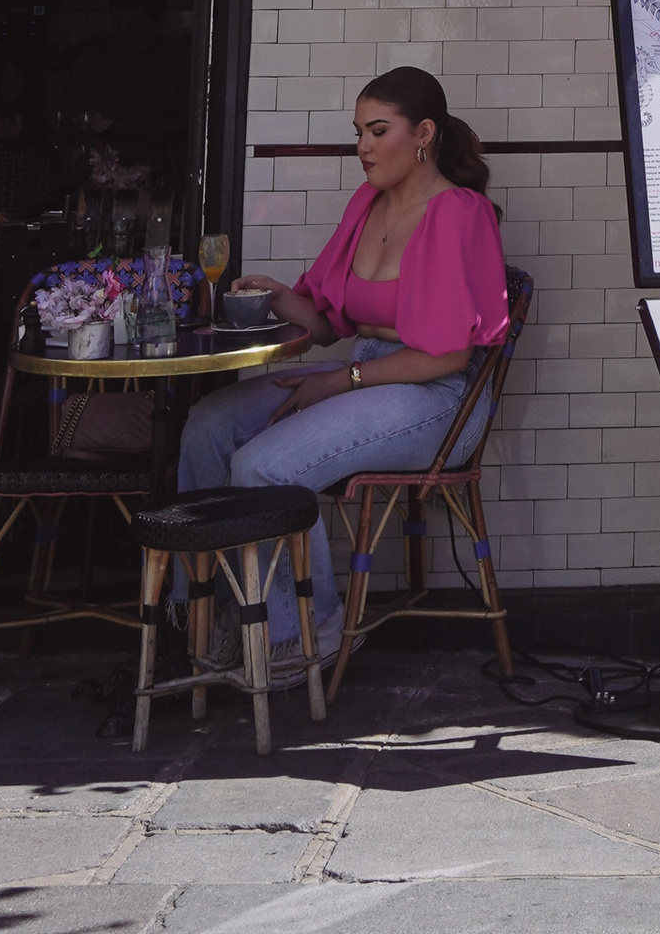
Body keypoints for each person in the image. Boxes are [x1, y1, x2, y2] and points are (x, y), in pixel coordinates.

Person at [175, 66, 509, 678]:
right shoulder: (368, 204)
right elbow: (329, 324)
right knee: (208, 424)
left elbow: (447, 355)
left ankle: (304, 637)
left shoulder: (460, 213)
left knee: (264, 465)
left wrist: (339, 382)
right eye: (358, 131)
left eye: (377, 131)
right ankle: (211, 614)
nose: (362, 147)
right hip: (368, 375)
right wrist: (276, 294)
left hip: (437, 397)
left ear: (424, 134)